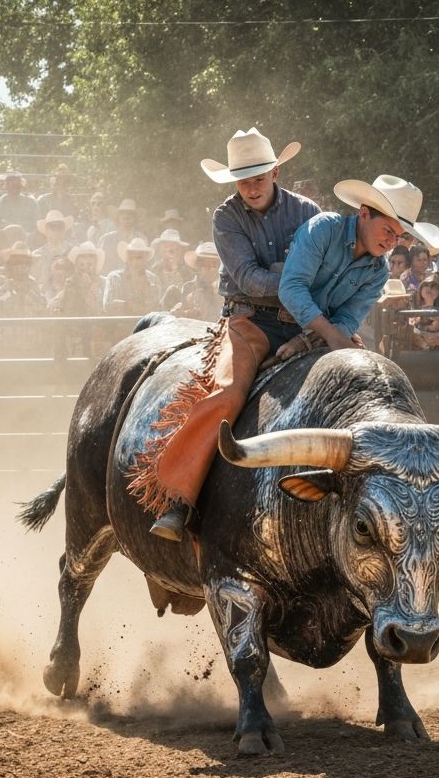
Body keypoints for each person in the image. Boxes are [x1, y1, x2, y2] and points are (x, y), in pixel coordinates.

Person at [130, 126, 317, 542]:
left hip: (305, 320)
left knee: (353, 376)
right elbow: (248, 280)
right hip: (249, 322)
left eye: (258, 178)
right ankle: (179, 497)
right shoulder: (226, 217)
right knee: (228, 394)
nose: (252, 188)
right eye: (243, 181)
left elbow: (317, 268)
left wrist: (293, 283)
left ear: (275, 174)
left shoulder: (308, 212)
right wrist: (297, 281)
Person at [278, 176, 439, 356]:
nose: (392, 242)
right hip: (276, 321)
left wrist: (309, 339)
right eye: (388, 230)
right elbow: (291, 287)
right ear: (364, 214)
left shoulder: (379, 272)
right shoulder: (324, 229)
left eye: (398, 236)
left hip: (326, 334)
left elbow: (349, 317)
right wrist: (331, 335)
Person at [0, 241, 50, 358]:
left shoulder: (38, 294)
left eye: (26, 262)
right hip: (6, 352)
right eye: (17, 262)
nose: (22, 266)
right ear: (10, 265)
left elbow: (45, 322)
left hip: (34, 352)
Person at [52, 241, 107, 357]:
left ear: (96, 264)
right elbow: (59, 304)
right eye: (82, 264)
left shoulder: (104, 282)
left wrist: (87, 289)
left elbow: (100, 309)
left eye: (89, 264)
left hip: (98, 332)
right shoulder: (71, 282)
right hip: (76, 332)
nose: (86, 268)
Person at [161, 240, 222, 321]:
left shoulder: (225, 289)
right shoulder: (189, 287)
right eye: (205, 265)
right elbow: (180, 314)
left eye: (214, 265)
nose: (210, 268)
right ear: (198, 266)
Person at [102, 237, 162, 314]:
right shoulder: (114, 277)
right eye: (131, 257)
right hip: (121, 321)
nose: (135, 262)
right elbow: (108, 305)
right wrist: (130, 306)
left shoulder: (154, 279)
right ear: (127, 258)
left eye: (139, 258)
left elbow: (157, 307)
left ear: (146, 258)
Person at [97, 198, 146, 274]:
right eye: (123, 216)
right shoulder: (106, 239)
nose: (126, 219)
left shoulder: (141, 239)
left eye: (130, 215)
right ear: (118, 218)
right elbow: (99, 264)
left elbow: (145, 263)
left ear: (135, 219)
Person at [410, 272, 439, 351]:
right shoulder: (414, 310)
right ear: (420, 289)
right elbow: (410, 335)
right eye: (426, 285)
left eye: (434, 286)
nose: (429, 288)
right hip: (416, 353)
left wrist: (431, 344)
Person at [32, 210, 74, 295]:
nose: (57, 230)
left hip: (70, 295)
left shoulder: (73, 252)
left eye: (60, 227)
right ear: (46, 230)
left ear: (64, 230)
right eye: (53, 227)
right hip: (44, 296)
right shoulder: (37, 255)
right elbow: (33, 280)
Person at [0, 172, 39, 237]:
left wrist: (27, 236)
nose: (14, 188)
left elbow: (36, 225)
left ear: (21, 186)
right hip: (4, 238)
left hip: (27, 238)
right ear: (6, 186)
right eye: (12, 185)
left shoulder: (31, 203)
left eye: (17, 185)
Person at [149, 228, 192, 295]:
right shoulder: (154, 271)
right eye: (166, 247)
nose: (170, 252)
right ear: (161, 249)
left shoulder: (186, 272)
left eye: (175, 248)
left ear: (179, 250)